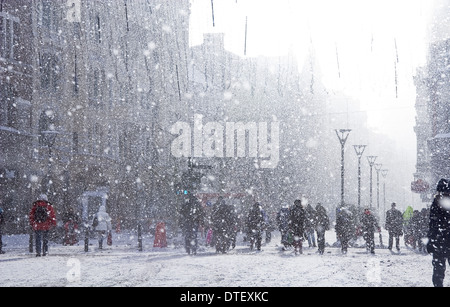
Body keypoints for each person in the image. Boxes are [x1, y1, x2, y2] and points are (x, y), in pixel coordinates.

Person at [427, 179, 450, 287]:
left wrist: (431, 241)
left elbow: (433, 225)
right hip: (442, 240)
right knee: (438, 270)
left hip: (439, 241)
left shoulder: (436, 204)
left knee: (438, 271)